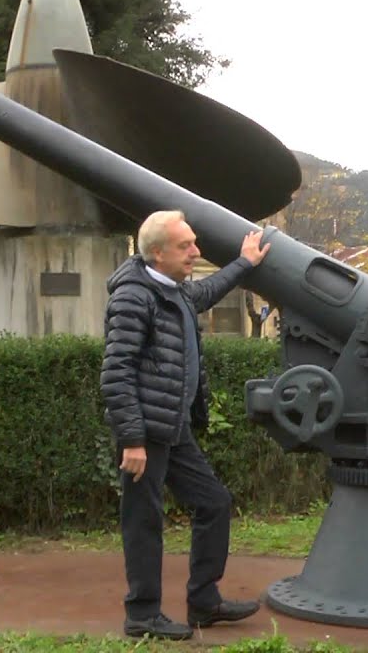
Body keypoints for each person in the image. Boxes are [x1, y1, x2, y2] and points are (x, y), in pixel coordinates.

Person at [100, 209, 270, 641]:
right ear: (158, 253)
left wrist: (245, 262)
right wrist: (132, 439)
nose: (195, 251)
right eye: (185, 245)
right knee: (144, 520)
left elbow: (208, 290)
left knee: (214, 503)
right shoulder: (134, 297)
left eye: (194, 242)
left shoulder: (172, 291)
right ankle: (142, 615)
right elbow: (117, 371)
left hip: (172, 428)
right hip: (145, 433)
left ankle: (203, 602)